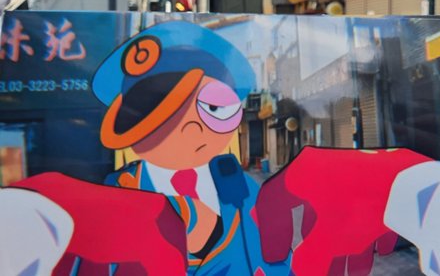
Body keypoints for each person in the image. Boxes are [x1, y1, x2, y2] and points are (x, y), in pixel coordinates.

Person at [91, 20, 291, 276]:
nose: (192, 130)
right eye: (164, 120)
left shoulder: (239, 185)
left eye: (213, 109)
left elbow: (274, 259)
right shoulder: (122, 189)